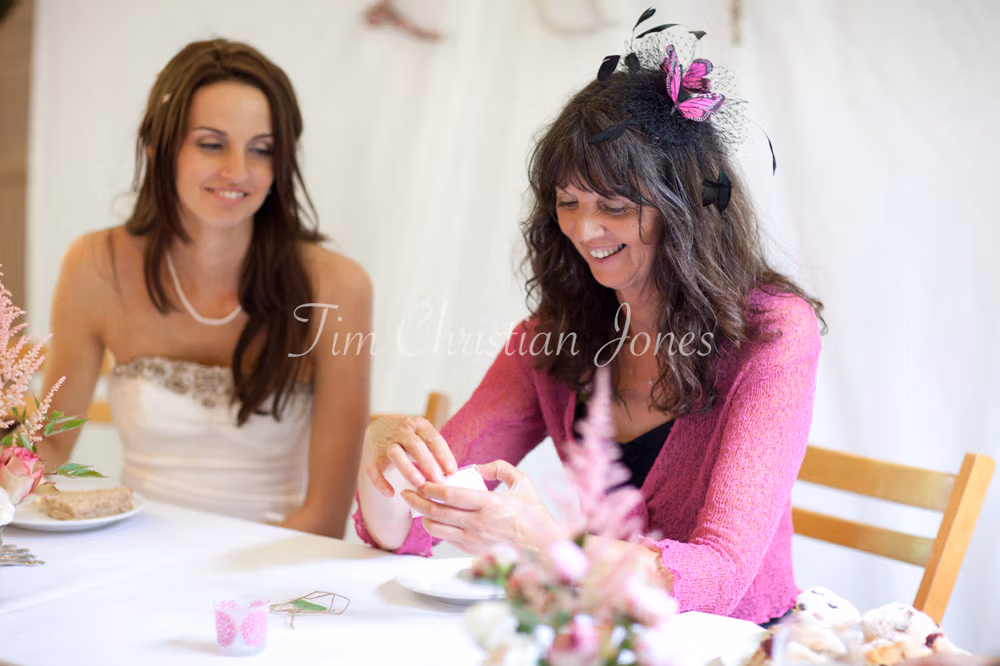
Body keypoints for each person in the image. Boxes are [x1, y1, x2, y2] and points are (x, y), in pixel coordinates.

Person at [355, 23, 824, 625]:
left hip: (731, 644)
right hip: (600, 635)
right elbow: (403, 532)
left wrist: (546, 542)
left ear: (684, 211)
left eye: (615, 206)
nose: (583, 229)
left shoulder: (772, 335)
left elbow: (719, 579)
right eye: (567, 201)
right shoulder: (551, 339)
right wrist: (383, 458)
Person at [38, 39, 372, 537]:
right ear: (158, 147)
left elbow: (325, 518)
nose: (238, 171)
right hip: (128, 561)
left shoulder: (339, 287)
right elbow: (49, 447)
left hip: (271, 574)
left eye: (262, 150)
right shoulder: (94, 266)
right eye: (212, 143)